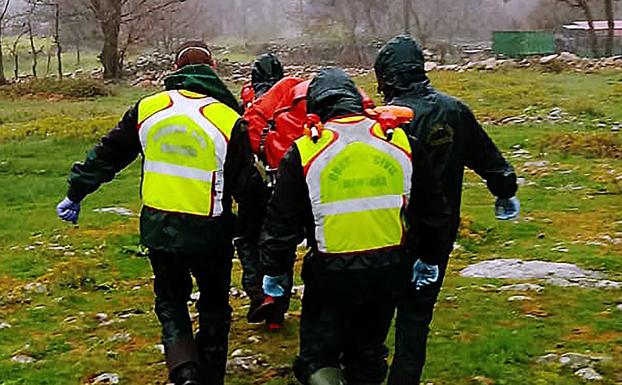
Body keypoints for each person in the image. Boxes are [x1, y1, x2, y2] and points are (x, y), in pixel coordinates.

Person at [56, 41, 268, 385]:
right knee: (214, 306)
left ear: (175, 69)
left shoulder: (148, 109)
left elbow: (109, 154)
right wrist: (258, 236)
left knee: (171, 302)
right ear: (212, 70)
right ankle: (210, 375)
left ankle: (184, 371)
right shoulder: (228, 118)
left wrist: (76, 192)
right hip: (211, 231)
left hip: (160, 227)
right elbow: (249, 187)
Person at [258, 68, 450, 385]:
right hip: (390, 268)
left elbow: (281, 224)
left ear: (315, 107)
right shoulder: (402, 141)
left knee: (319, 357)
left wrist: (275, 272)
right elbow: (433, 210)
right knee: (369, 351)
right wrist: (429, 257)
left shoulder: (306, 150)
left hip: (331, 274)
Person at [374, 35, 520, 385]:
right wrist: (505, 190)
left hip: (386, 231)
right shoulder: (455, 111)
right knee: (416, 317)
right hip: (438, 233)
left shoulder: (382, 121)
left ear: (386, 77)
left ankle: (367, 370)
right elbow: (490, 160)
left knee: (374, 312)